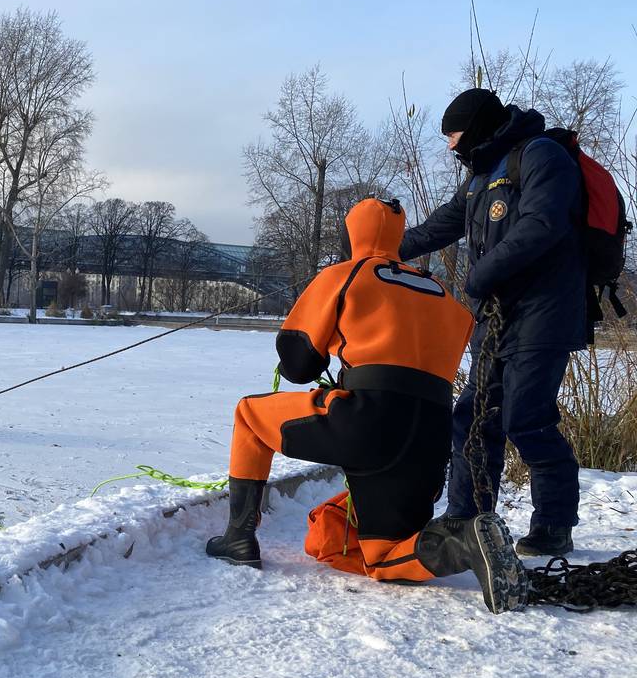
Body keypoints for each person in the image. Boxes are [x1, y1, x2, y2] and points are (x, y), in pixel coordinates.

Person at [206, 197, 529, 614]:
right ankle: (462, 542)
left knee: (248, 415)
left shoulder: (345, 274)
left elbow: (298, 364)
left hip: (364, 420)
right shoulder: (442, 292)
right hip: (430, 436)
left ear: (350, 234)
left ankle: (238, 537)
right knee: (384, 555)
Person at [400, 88, 585, 557]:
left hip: (543, 315)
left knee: (527, 417)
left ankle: (554, 524)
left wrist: (481, 274)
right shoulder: (483, 176)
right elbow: (441, 225)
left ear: (478, 127)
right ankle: (467, 518)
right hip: (496, 317)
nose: (450, 147)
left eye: (453, 136)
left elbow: (542, 225)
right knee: (472, 418)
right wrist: (376, 250)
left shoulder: (542, 157)